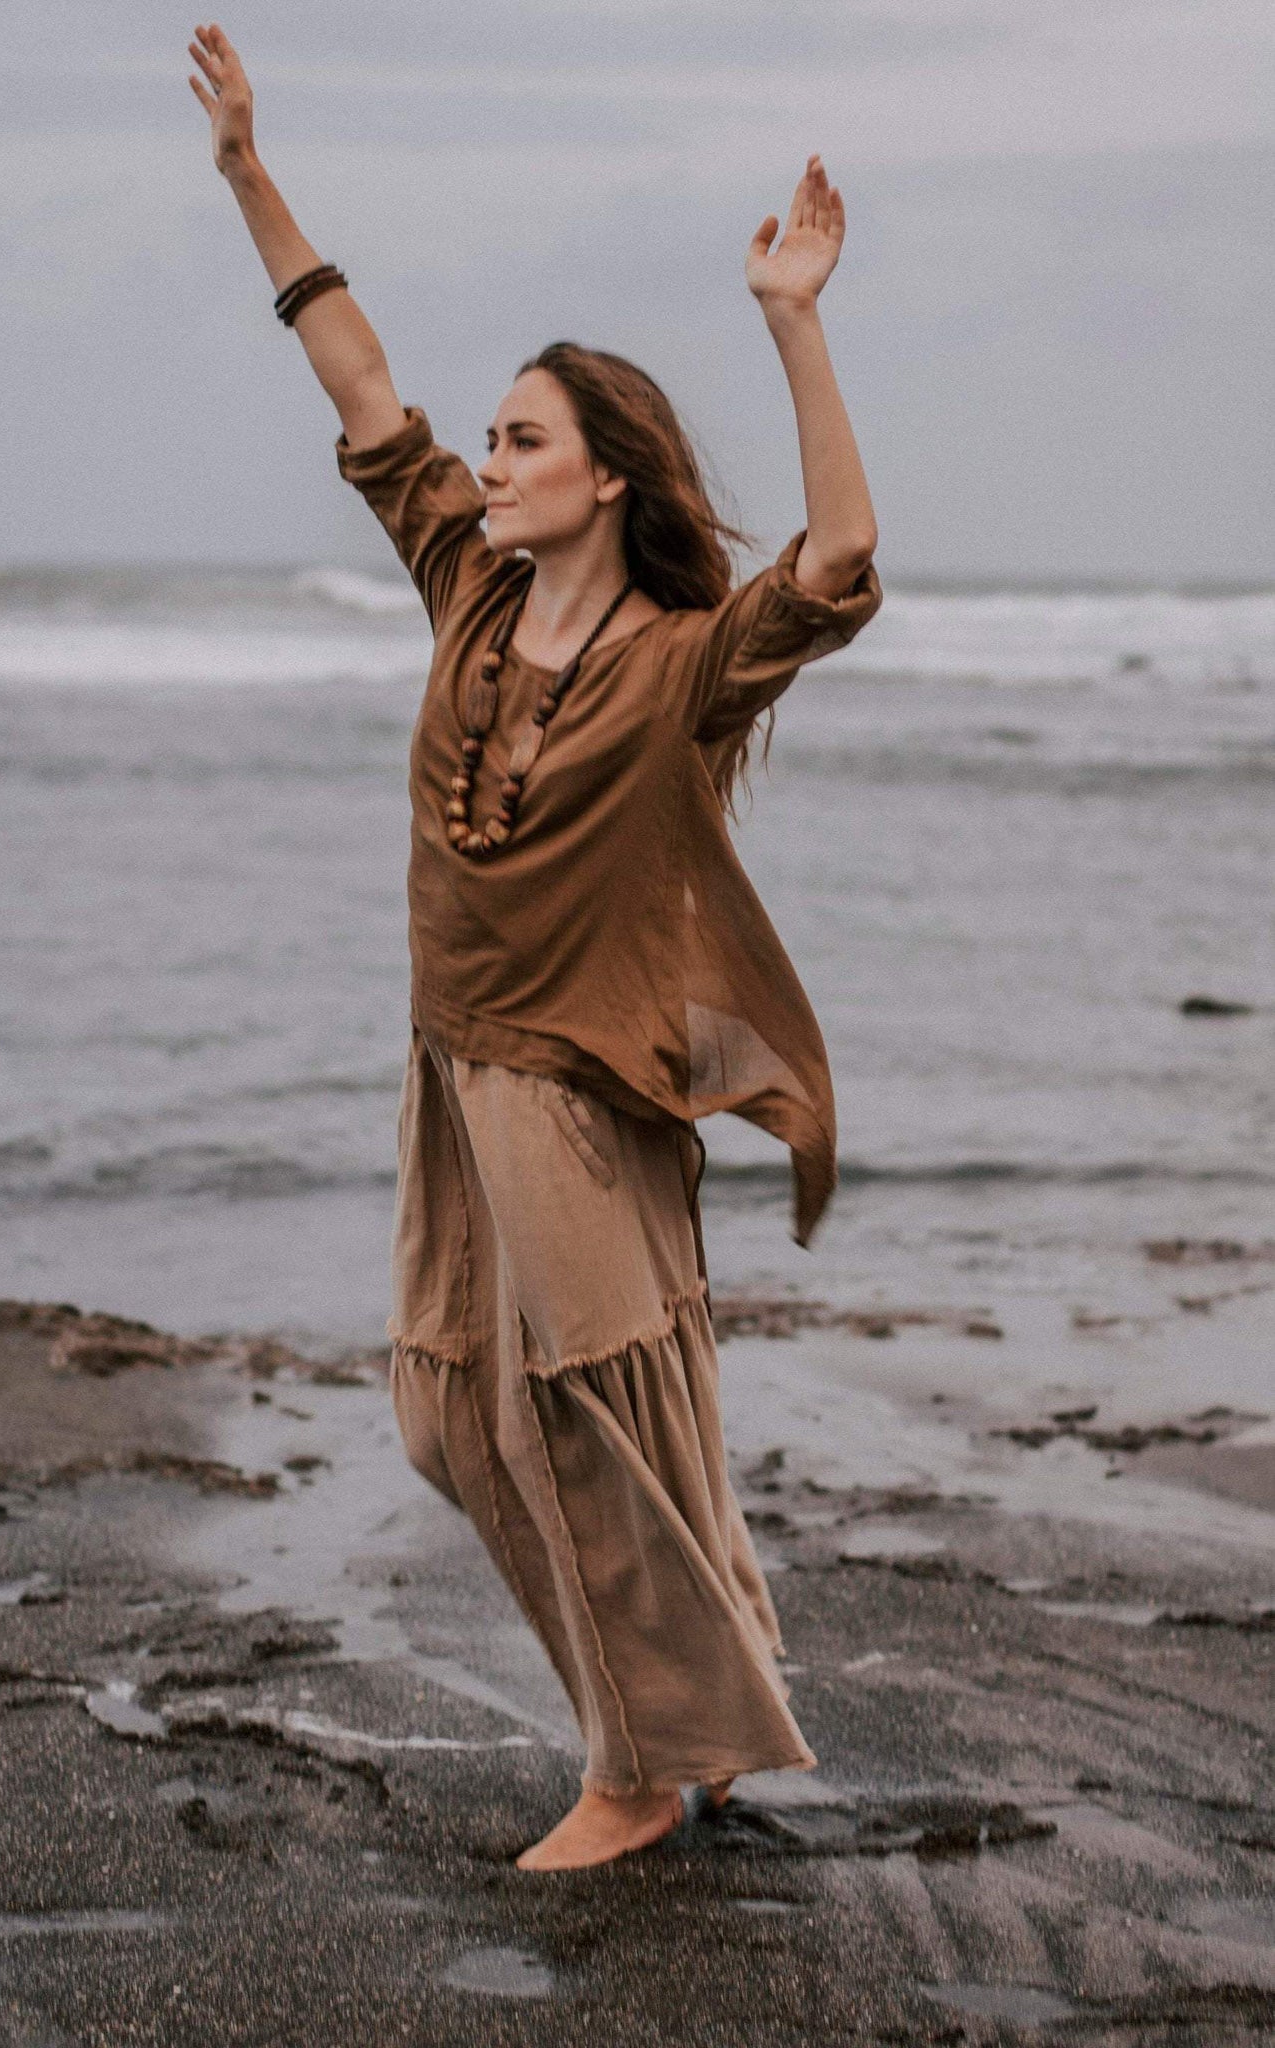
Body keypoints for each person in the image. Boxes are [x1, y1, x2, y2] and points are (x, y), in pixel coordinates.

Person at [189, 22, 882, 1871]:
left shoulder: (678, 662)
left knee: (582, 1408)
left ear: (602, 476)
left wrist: (793, 321)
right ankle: (692, 1714)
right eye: (488, 437)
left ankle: (642, 1767)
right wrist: (254, 175)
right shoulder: (466, 582)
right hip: (453, 1058)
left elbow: (835, 559)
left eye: (522, 439)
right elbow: (359, 380)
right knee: (449, 1417)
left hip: (580, 1078)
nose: (484, 460)